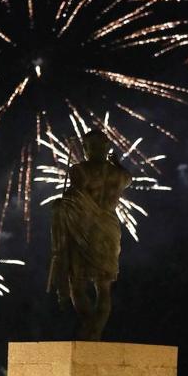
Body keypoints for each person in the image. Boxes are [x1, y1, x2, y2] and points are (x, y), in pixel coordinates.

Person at [48, 129, 132, 341]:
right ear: (106, 147)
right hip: (110, 230)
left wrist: (60, 204)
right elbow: (129, 179)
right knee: (104, 285)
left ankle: (90, 327)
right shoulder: (120, 175)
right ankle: (96, 329)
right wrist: (118, 163)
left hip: (86, 230)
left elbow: (76, 200)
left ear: (86, 148)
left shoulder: (79, 170)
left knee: (77, 283)